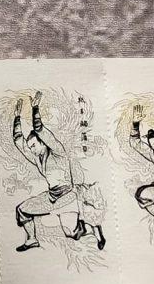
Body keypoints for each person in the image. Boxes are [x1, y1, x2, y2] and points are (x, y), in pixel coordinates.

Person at [12, 100, 101, 252]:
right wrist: (17, 118)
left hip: (67, 196)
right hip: (51, 196)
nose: (31, 149)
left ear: (43, 143)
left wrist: (35, 108)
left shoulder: (58, 152)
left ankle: (93, 229)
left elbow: (40, 130)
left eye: (33, 145)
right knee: (22, 209)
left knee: (71, 233)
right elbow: (19, 142)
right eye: (30, 147)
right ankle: (32, 239)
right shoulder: (37, 158)